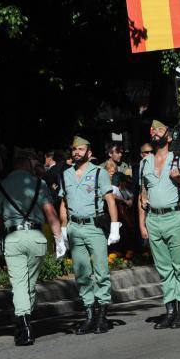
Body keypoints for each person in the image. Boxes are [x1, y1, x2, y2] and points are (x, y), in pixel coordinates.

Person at [0, 148, 65, 346]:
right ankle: (24, 322)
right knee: (29, 284)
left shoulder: (1, 185)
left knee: (20, 284)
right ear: (26, 163)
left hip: (13, 238)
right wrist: (59, 240)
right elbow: (51, 214)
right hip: (36, 238)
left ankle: (25, 326)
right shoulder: (40, 183)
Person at [59, 136, 121, 335]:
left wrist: (114, 227)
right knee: (81, 272)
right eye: (74, 149)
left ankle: (102, 315)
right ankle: (89, 315)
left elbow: (110, 200)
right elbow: (63, 203)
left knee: (101, 271)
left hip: (94, 227)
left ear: (89, 153)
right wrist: (62, 231)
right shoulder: (66, 174)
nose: (76, 152)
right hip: (75, 227)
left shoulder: (99, 173)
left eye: (80, 149)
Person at [139, 120, 180, 329]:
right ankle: (169, 311)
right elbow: (142, 194)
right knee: (163, 268)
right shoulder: (145, 163)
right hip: (153, 218)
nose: (155, 132)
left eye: (160, 130)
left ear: (169, 137)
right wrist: (142, 224)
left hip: (175, 216)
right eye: (153, 130)